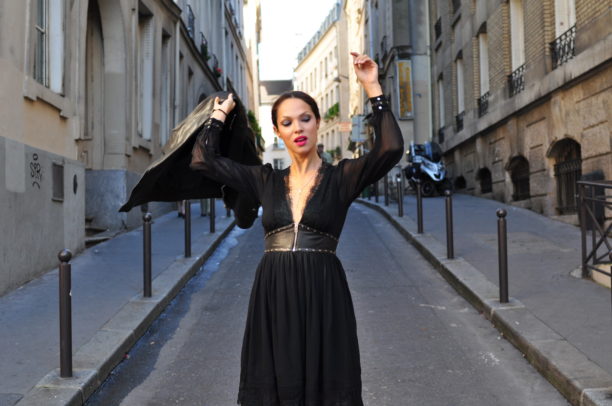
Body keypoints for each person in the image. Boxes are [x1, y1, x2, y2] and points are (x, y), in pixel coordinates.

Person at [190, 52, 403, 405]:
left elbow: (391, 147)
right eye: (287, 123)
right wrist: (218, 114)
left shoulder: (343, 177)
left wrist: (373, 87)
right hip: (273, 291)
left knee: (326, 380)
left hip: (324, 290)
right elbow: (202, 160)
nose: (298, 128)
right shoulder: (264, 178)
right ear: (277, 131)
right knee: (274, 379)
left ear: (318, 123)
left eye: (305, 119)